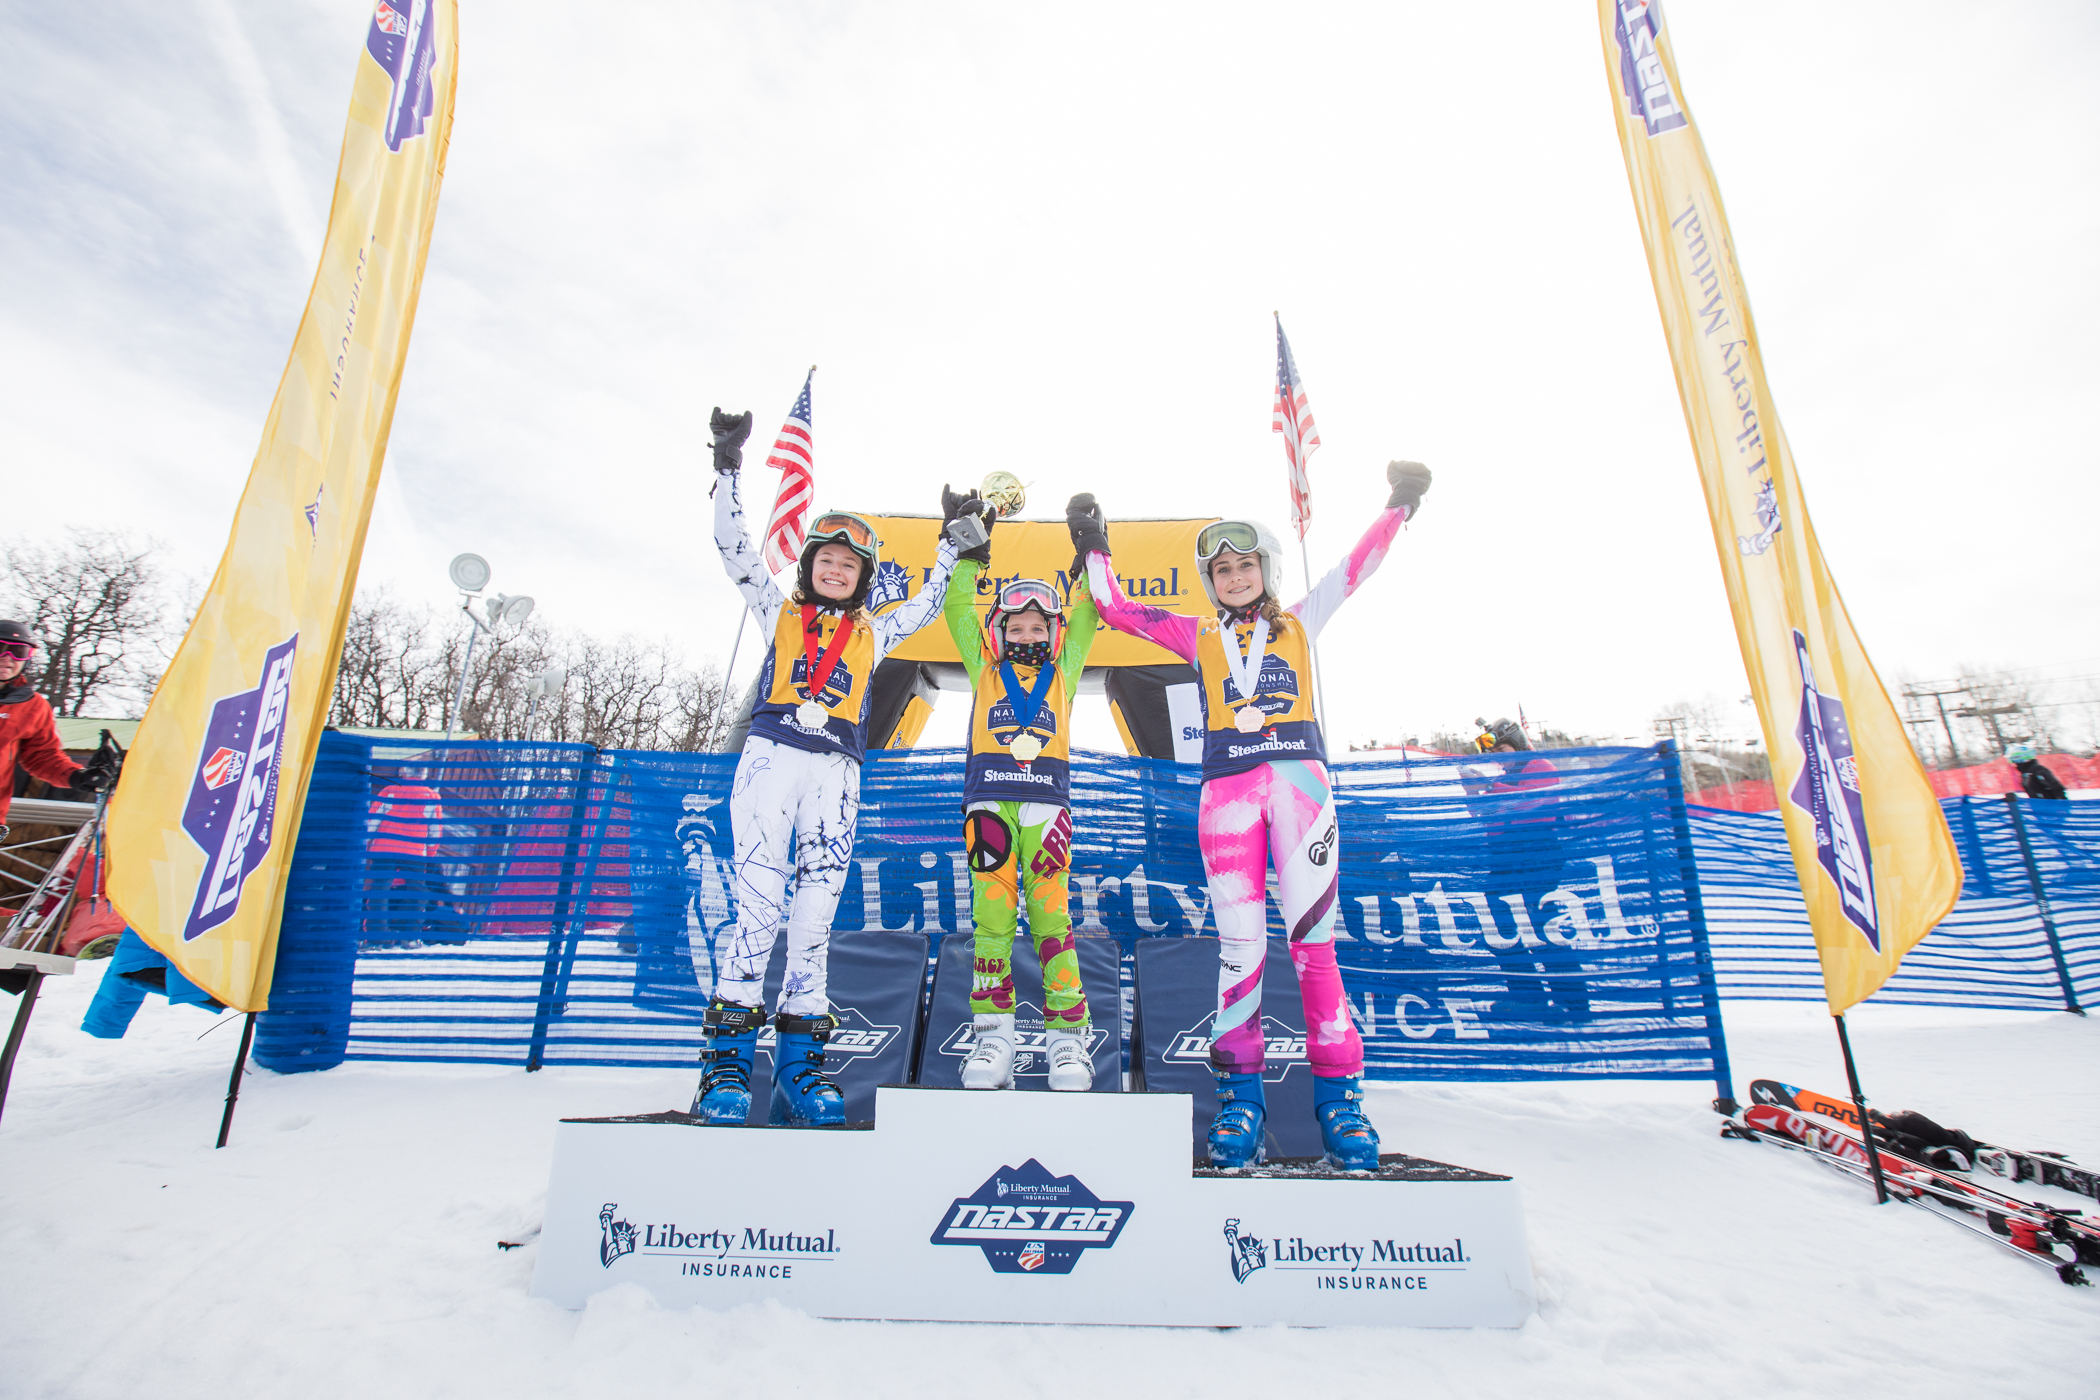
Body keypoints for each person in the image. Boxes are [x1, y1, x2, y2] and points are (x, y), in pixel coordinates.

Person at [1071, 460, 1432, 1169]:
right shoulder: (1199, 635)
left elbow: (1356, 568)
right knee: (1239, 953)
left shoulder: (1300, 621)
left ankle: (1342, 1110)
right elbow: (1116, 608)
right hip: (1228, 796)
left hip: (1301, 788)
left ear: (1266, 568)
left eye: (1245, 566)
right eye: (1222, 571)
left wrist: (1401, 505)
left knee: (1315, 953)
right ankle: (1241, 1104)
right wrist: (1093, 542)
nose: (1235, 579)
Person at [697, 407, 960, 1127]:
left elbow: (931, 602)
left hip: (837, 771)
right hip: (773, 758)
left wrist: (951, 547)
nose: (836, 568)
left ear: (863, 575)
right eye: (826, 560)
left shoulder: (875, 631)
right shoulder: (778, 611)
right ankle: (724, 1070)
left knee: (815, 918)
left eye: (849, 563)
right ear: (812, 566)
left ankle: (801, 1069)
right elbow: (734, 547)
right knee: (755, 909)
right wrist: (727, 467)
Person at [938, 487, 1099, 1091]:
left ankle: (1067, 1041)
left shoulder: (1067, 670)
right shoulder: (983, 668)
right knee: (992, 925)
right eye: (1016, 624)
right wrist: (970, 550)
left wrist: (1089, 550)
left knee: (1053, 922)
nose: (1027, 633)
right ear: (997, 631)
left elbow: (1085, 613)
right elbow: (958, 606)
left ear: (1053, 633)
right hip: (988, 809)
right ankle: (993, 1038)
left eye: (1039, 625)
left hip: (1045, 810)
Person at [1463, 717, 1591, 1024]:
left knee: (1543, 925)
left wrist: (1490, 786)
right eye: (1496, 753)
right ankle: (1527, 995)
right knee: (1500, 927)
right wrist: (1472, 792)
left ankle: (1573, 1002)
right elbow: (1488, 817)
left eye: (1503, 749)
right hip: (1505, 856)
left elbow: (1527, 803)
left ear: (1517, 743)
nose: (1500, 758)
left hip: (1537, 854)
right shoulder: (1508, 776)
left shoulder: (1539, 765)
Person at [0, 620, 114, 837]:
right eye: (0, 649)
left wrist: (79, 776)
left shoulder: (32, 707)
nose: (7, 658)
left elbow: (42, 756)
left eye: (19, 652)